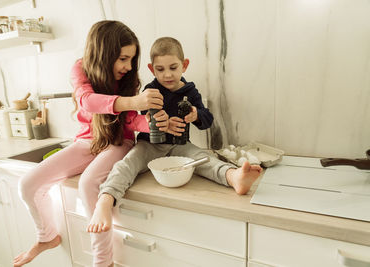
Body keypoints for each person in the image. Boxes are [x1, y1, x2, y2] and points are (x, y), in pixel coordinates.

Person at [13, 21, 172, 267]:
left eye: (131, 59)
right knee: (28, 184)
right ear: (104, 52)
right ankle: (46, 236)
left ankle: (102, 262)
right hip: (88, 140)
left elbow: (130, 120)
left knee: (89, 184)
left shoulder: (127, 78)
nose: (128, 66)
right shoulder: (81, 68)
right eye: (122, 59)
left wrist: (151, 122)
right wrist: (134, 102)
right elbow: (87, 102)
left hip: (119, 141)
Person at [87, 37, 263, 234]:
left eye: (173, 67)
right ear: (152, 69)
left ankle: (233, 177)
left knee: (205, 159)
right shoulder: (150, 90)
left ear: (184, 65)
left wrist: (196, 114)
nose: (167, 74)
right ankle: (106, 199)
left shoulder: (190, 91)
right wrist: (155, 119)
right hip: (149, 145)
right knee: (127, 164)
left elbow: (208, 119)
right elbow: (143, 119)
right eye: (160, 69)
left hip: (181, 146)